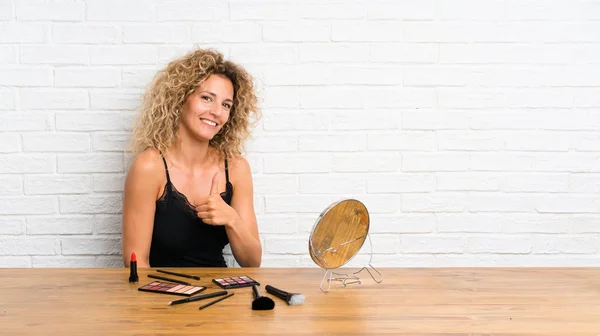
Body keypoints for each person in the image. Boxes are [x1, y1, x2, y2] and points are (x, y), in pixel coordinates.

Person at [121, 48, 262, 268]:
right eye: (207, 98)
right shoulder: (149, 167)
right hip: (163, 294)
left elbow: (252, 262)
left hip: (220, 295)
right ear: (180, 99)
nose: (217, 112)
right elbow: (136, 262)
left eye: (226, 105)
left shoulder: (235, 167)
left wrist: (231, 219)